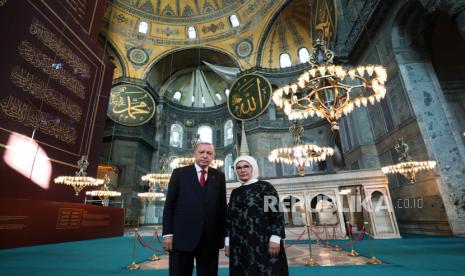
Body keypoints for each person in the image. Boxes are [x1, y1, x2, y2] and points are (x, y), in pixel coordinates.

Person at [162, 142, 227, 276]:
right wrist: (167, 234)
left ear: (213, 156)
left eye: (209, 153)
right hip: (182, 237)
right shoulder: (179, 173)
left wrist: (226, 236)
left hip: (210, 239)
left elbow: (222, 208)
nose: (205, 156)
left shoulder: (219, 176)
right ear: (194, 154)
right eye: (201, 152)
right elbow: (169, 205)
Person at [225, 155, 288, 276]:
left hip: (264, 243)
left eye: (246, 166)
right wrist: (228, 242)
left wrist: (275, 238)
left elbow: (277, 215)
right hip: (240, 245)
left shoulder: (266, 187)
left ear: (253, 168)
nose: (242, 170)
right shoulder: (235, 192)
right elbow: (229, 219)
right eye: (238, 168)